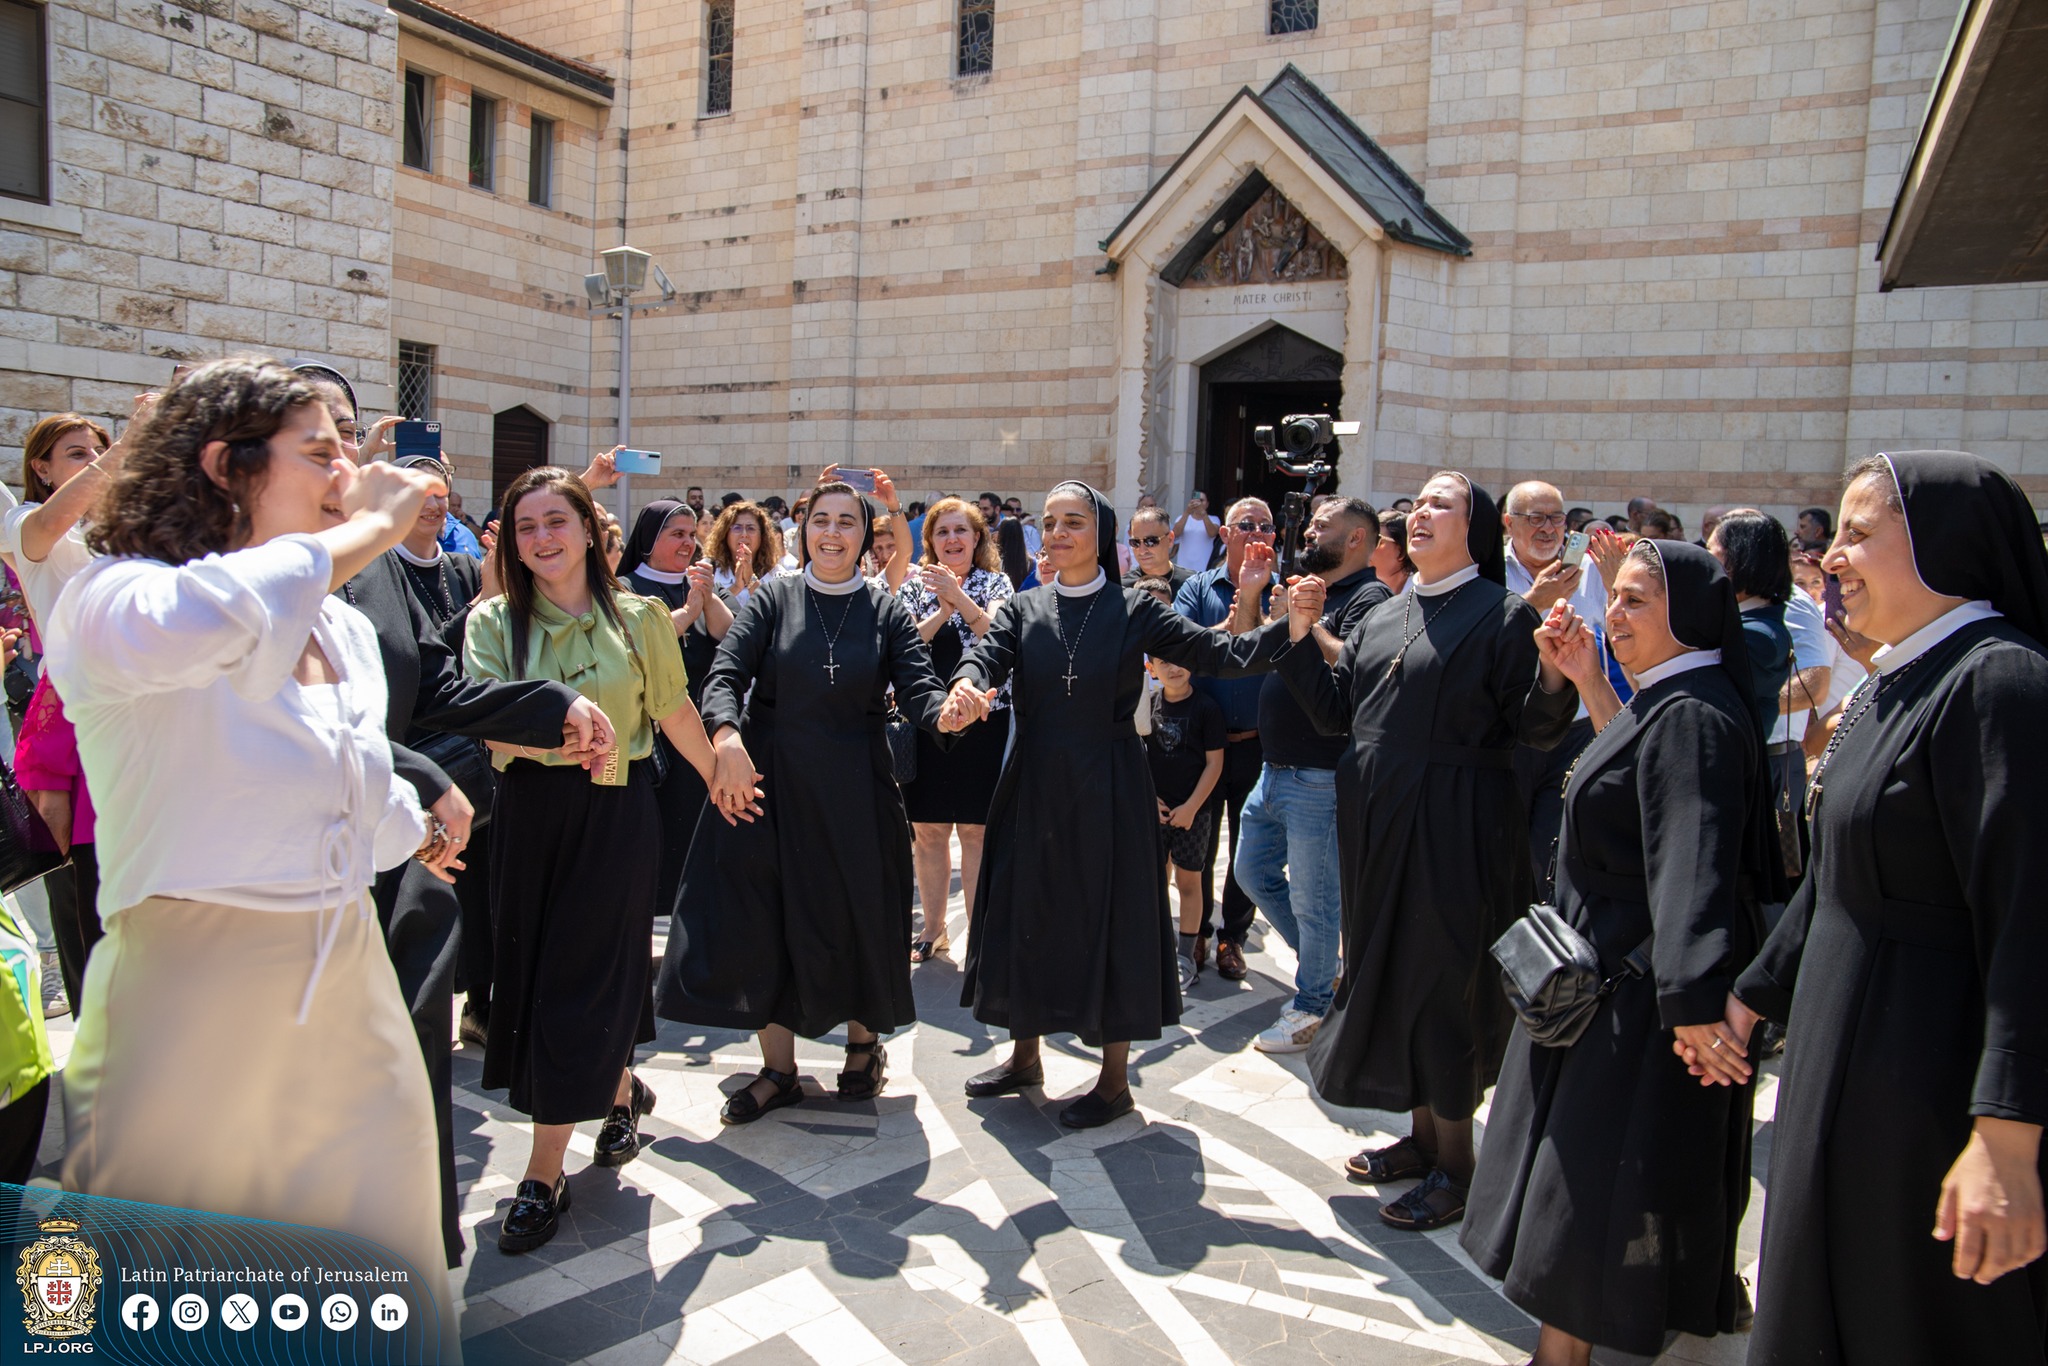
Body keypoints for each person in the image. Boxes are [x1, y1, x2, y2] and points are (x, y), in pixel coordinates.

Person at [48, 358, 458, 1340]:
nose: (352, 473)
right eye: (321, 453)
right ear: (226, 466)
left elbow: (350, 783)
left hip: (349, 970)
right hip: (195, 979)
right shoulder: (117, 598)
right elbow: (223, 619)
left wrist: (422, 825)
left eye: (349, 453)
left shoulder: (343, 629)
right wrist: (373, 528)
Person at [1685, 451, 2048, 1365]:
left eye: (1855, 532)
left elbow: (2032, 918)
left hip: (1926, 1085)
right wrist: (1756, 991)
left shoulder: (2000, 681)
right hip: (1846, 1067)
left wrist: (2005, 1135)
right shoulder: (1901, 675)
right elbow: (1844, 876)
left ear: (1938, 544)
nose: (1829, 554)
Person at [306, 373, 603, 1270]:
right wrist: (423, 770)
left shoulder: (375, 571)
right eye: (322, 444)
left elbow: (422, 685)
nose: (349, 460)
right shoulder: (243, 577)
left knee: (403, 1091)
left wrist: (545, 704)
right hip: (293, 892)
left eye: (352, 435)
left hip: (396, 877)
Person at [1463, 539, 1776, 1363]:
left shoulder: (1696, 715)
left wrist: (1691, 1006)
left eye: (1637, 600)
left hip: (1633, 998)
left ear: (1691, 615)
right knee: (1582, 1177)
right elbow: (1639, 790)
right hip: (1611, 981)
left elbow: (1692, 866)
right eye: (1618, 597)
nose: (1617, 613)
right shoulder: (1666, 699)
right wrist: (1594, 680)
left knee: (1590, 1186)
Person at [1276, 472, 1579, 1231]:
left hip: (1459, 831)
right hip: (1377, 826)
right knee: (1396, 974)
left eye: (1442, 503)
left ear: (1473, 526)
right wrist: (1297, 630)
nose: (1419, 513)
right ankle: (1420, 1139)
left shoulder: (1504, 614)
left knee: (1446, 988)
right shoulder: (1388, 611)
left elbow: (1539, 729)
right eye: (1416, 504)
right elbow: (1337, 712)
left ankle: (1459, 1167)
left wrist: (1550, 666)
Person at [937, 482, 1285, 1128]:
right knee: (1027, 909)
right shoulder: (1024, 607)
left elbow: (1219, 655)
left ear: (1103, 531)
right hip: (1036, 777)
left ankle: (1114, 1079)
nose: (1060, 531)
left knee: (1110, 913)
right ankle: (1024, 1055)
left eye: (1074, 521)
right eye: (1049, 522)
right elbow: (986, 658)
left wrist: (1271, 612)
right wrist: (966, 689)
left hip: (1110, 779)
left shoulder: (1135, 610)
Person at [466, 466, 724, 1256]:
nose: (542, 539)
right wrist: (554, 729)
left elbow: (674, 711)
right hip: (530, 821)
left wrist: (723, 780)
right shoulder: (493, 623)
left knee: (577, 984)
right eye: (526, 527)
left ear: (588, 530)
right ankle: (617, 1091)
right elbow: (486, 730)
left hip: (618, 817)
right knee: (547, 976)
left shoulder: (642, 616)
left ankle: (543, 1174)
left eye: (556, 522)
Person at [656, 483, 948, 1123]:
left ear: (865, 533)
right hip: (773, 785)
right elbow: (727, 670)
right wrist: (726, 734)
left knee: (859, 916)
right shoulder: (774, 597)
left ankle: (863, 1047)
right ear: (803, 529)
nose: (833, 532)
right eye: (821, 520)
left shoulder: (885, 608)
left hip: (856, 788)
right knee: (765, 921)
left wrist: (951, 711)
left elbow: (921, 690)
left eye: (848, 521)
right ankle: (779, 1070)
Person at [1235, 498, 1390, 1054]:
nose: (1310, 530)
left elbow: (1356, 663)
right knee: (1251, 872)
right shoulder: (1304, 586)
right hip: (1274, 768)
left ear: (1357, 539)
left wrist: (1304, 624)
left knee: (1315, 901)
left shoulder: (1372, 597)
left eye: (1324, 525)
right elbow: (1251, 647)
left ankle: (1312, 1007)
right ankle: (1327, 971)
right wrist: (1256, 598)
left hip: (1320, 775)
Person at [2, 408, 140, 1018]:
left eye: (99, 452)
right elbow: (54, 519)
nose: (95, 465)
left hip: (136, 722)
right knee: (84, 901)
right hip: (66, 726)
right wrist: (129, 443)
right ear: (41, 466)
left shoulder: (121, 532)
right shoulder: (27, 527)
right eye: (77, 455)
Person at [897, 498, 1013, 962]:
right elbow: (904, 645)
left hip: (983, 718)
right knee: (928, 831)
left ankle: (981, 931)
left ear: (977, 538)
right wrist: (942, 608)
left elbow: (997, 638)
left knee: (975, 830)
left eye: (960, 531)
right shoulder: (912, 583)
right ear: (930, 541)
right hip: (927, 718)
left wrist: (960, 598)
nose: (952, 540)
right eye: (942, 532)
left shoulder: (995, 582)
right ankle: (934, 928)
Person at [1172, 496, 1278, 982]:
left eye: (1266, 525)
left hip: (1261, 742)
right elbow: (1184, 645)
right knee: (1200, 842)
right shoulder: (1196, 587)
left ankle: (1233, 936)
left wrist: (1258, 607)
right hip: (1205, 744)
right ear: (1224, 534)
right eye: (1245, 523)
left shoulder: (1285, 593)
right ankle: (1196, 934)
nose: (1256, 531)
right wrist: (1236, 621)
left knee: (1249, 847)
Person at [621, 500, 735, 930]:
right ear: (650, 541)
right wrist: (688, 610)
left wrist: (705, 599)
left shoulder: (702, 583)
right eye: (677, 534)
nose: (689, 543)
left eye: (693, 535)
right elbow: (640, 641)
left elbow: (730, 634)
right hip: (652, 736)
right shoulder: (626, 585)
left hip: (700, 726)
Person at [1502, 481, 1616, 891]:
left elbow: (1624, 634)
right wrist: (1535, 600)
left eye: (1556, 518)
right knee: (1505, 848)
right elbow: (1479, 640)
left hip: (1576, 732)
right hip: (1511, 734)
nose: (1548, 529)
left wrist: (1619, 585)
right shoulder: (1487, 571)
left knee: (1552, 847)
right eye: (1535, 518)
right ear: (1508, 523)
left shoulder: (1590, 573)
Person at [1144, 652, 1225, 990]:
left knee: (1189, 882)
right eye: (1164, 663)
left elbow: (1214, 764)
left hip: (1196, 813)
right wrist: (1150, 798)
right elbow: (1137, 755)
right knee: (1155, 879)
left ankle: (1185, 956)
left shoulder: (1206, 709)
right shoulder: (1146, 705)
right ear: (1151, 669)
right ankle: (1157, 951)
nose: (1174, 668)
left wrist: (1192, 806)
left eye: (1179, 660)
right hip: (1155, 810)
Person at [1707, 510, 1795, 736]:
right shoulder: (1736, 618)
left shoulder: (1759, 637)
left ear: (1738, 559)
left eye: (1710, 554)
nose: (1703, 563)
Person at [707, 498, 785, 608]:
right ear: (725, 534)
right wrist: (736, 588)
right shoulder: (712, 570)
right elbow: (706, 612)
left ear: (762, 536)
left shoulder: (776, 573)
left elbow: (777, 611)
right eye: (737, 528)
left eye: (751, 528)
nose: (744, 534)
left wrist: (750, 580)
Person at [1122, 504, 1194, 596]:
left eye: (1151, 541)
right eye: (1135, 542)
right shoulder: (1122, 589)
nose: (1142, 550)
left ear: (1170, 539)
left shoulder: (1192, 585)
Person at [1173, 492, 1219, 573]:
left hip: (1204, 567)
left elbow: (1212, 533)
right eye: (1196, 500)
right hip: (1183, 567)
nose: (1198, 503)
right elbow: (1175, 534)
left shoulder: (1214, 519)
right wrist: (1187, 513)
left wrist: (1203, 514)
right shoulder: (1182, 518)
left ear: (1207, 504)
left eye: (1201, 500)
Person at [1372, 510, 1414, 595]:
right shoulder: (1361, 591)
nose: (1367, 547)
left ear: (1401, 551)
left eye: (1376, 540)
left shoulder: (1423, 592)